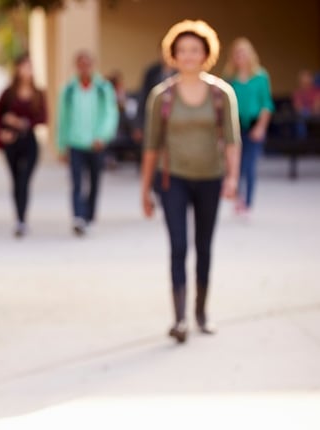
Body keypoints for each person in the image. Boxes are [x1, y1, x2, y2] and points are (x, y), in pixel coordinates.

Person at [140, 20, 241, 343]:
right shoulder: (162, 96)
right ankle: (179, 318)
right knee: (179, 246)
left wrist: (233, 178)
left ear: (206, 53)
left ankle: (201, 312)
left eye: (195, 49)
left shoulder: (221, 94)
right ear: (173, 54)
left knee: (204, 247)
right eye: (182, 50)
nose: (188, 55)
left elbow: (231, 140)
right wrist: (144, 189)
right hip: (173, 179)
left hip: (211, 178)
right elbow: (151, 146)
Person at [57, 51, 119, 236]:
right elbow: (62, 118)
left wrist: (103, 136)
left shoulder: (103, 88)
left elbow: (111, 113)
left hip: (96, 144)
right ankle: (78, 216)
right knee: (77, 182)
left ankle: (89, 215)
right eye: (80, 64)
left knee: (94, 181)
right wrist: (61, 145)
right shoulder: (68, 90)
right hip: (75, 143)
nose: (84, 67)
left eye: (88, 63)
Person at [0, 52, 47, 237]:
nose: (26, 70)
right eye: (23, 66)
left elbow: (43, 117)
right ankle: (19, 219)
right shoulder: (8, 93)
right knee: (16, 181)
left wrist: (23, 123)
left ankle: (23, 219)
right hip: (12, 144)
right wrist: (3, 130)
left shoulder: (38, 93)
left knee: (25, 180)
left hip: (29, 142)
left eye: (29, 66)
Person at [224, 37, 274, 216]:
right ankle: (238, 197)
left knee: (249, 164)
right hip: (235, 125)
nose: (240, 57)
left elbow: (266, 104)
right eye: (237, 54)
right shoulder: (230, 78)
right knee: (234, 164)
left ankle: (248, 201)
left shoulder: (260, 76)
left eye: (243, 53)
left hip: (254, 124)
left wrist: (261, 127)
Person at [133, 48, 174, 144]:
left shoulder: (181, 73)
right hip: (155, 119)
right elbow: (143, 98)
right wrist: (138, 125)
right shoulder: (152, 72)